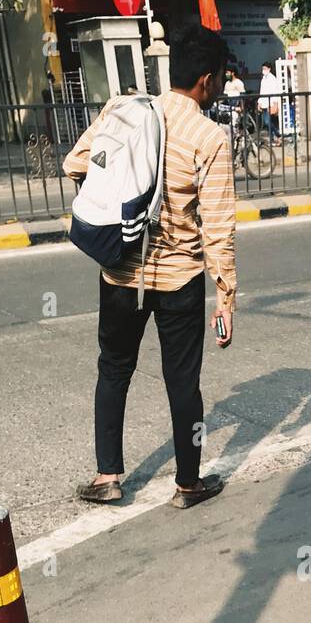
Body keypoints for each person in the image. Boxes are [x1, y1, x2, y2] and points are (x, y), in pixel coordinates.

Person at [63, 26, 236, 510]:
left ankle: (108, 477)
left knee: (114, 369)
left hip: (120, 271)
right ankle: (187, 484)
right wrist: (226, 294)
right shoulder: (209, 136)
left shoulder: (126, 109)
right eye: (221, 78)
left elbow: (74, 163)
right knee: (183, 382)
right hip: (179, 278)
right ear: (205, 80)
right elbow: (218, 226)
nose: (221, 86)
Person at [259, 60, 281, 143]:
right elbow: (262, 91)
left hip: (270, 103)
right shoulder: (263, 79)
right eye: (263, 69)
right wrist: (259, 103)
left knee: (268, 122)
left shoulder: (273, 79)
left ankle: (278, 134)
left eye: (265, 68)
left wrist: (274, 104)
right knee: (266, 122)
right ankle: (272, 139)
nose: (263, 70)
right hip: (264, 103)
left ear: (269, 69)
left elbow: (275, 92)